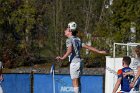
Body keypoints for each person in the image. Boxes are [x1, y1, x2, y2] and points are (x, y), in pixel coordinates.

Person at [56, 22, 107, 93]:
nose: (65, 30)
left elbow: (69, 50)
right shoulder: (78, 39)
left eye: (67, 29)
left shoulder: (69, 40)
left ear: (70, 31)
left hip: (74, 63)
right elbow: (88, 47)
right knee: (78, 81)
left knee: (74, 81)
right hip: (80, 62)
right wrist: (99, 51)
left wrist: (62, 58)